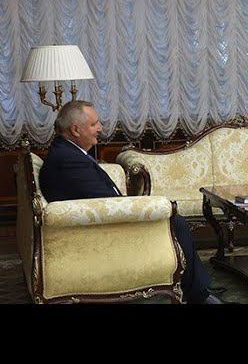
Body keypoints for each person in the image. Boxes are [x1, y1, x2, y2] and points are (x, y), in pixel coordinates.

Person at [39, 100, 223, 304]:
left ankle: (199, 289)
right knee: (176, 222)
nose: (100, 128)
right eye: (94, 124)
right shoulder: (68, 160)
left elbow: (99, 199)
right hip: (106, 234)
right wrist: (136, 208)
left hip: (95, 226)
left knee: (175, 221)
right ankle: (200, 295)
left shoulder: (66, 152)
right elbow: (104, 203)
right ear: (75, 130)